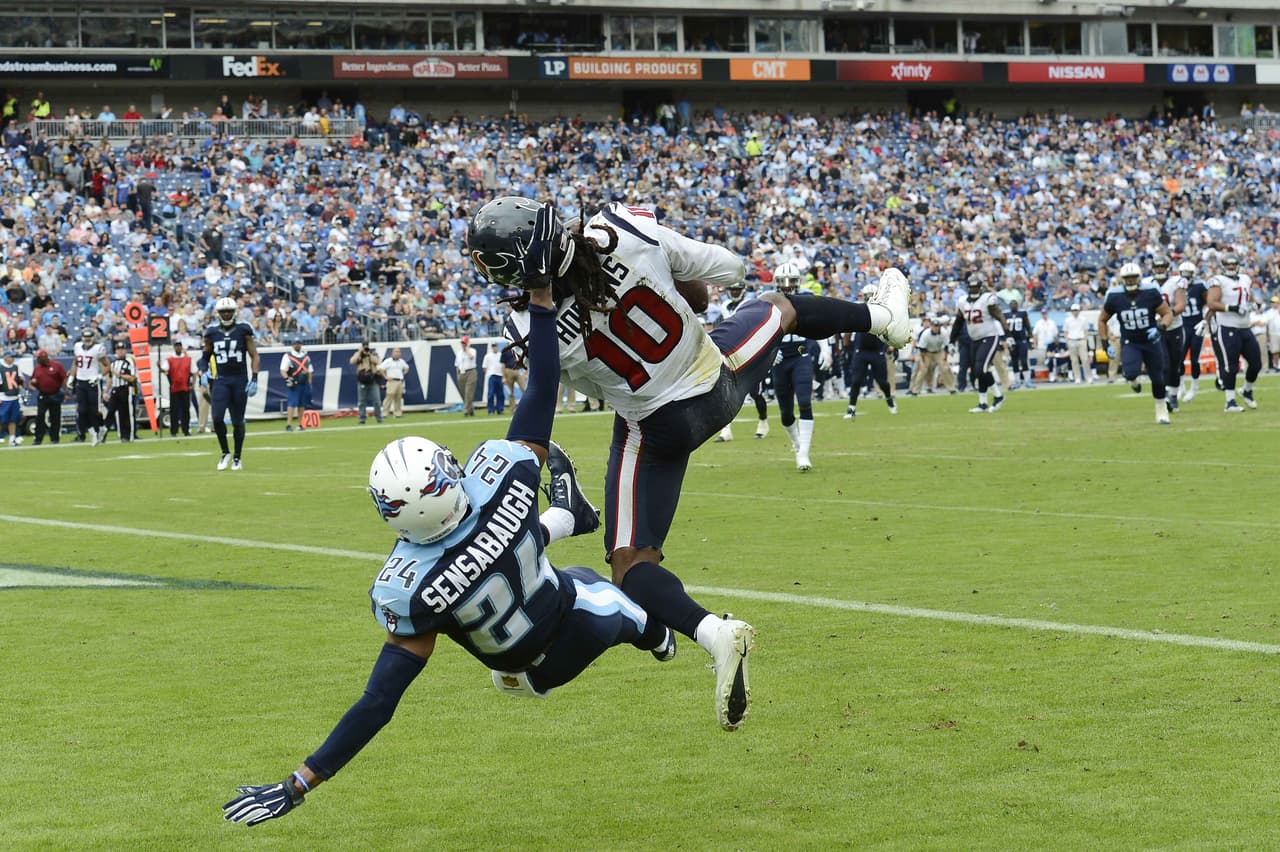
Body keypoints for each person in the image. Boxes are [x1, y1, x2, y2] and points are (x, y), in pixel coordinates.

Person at [222, 277, 677, 827]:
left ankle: (566, 520)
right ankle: (660, 635)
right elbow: (540, 387)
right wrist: (540, 303)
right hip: (566, 627)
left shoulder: (405, 589)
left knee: (542, 560)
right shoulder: (501, 476)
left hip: (510, 648)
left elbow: (378, 702)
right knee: (623, 606)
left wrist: (297, 784)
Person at [472, 197, 911, 730]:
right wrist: (679, 288)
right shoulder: (618, 227)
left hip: (655, 430)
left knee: (630, 566)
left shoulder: (528, 326)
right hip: (717, 380)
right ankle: (883, 319)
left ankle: (710, 632)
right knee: (781, 305)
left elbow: (568, 389)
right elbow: (726, 270)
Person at [769, 264, 829, 470]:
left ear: (798, 282)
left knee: (804, 401)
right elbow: (760, 328)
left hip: (801, 355)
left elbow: (820, 324)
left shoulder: (807, 298)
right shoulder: (768, 301)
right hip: (779, 358)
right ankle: (797, 443)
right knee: (786, 414)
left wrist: (825, 348)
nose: (787, 287)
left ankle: (803, 454)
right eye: (783, 283)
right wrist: (769, 350)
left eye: (791, 282)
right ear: (776, 284)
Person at [1098, 262, 1174, 424]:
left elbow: (1167, 313)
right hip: (1130, 341)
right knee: (1130, 373)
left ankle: (1161, 410)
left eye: (1133, 277)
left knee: (1158, 377)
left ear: (1139, 278)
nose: (1131, 281)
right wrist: (1105, 343)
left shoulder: (1150, 292)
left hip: (1151, 340)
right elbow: (1102, 320)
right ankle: (1134, 381)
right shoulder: (1114, 296)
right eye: (1127, 278)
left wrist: (1160, 328)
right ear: (1122, 279)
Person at [203, 296, 261, 470]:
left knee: (237, 421)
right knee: (217, 417)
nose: (227, 314)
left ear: (235, 312)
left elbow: (254, 354)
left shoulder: (244, 329)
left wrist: (255, 378)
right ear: (218, 313)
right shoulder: (212, 332)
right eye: (223, 312)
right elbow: (205, 356)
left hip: (239, 380)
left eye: (229, 311)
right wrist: (203, 371)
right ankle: (225, 452)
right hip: (221, 380)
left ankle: (237, 457)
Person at [1204, 254, 1263, 413]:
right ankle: (1230, 402)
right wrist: (1232, 308)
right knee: (1230, 365)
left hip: (1245, 327)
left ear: (1237, 264)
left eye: (1233, 264)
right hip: (1227, 327)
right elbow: (1212, 302)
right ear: (1223, 265)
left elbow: (1247, 297)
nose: (1231, 266)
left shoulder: (1245, 278)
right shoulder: (1217, 280)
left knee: (1256, 363)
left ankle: (1246, 390)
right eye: (1228, 264)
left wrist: (1254, 304)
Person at [844, 284, 899, 421]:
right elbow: (848, 327)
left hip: (877, 351)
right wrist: (846, 347)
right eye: (867, 296)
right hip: (861, 350)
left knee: (882, 382)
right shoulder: (858, 309)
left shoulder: (885, 311)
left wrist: (893, 346)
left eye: (871, 296)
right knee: (856, 380)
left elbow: (891, 330)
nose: (869, 299)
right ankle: (851, 408)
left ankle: (889, 399)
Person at [953, 276, 1008, 413]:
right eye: (971, 287)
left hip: (989, 336)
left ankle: (998, 395)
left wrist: (1008, 334)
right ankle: (982, 403)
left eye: (975, 287)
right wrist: (951, 340)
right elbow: (958, 322)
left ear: (980, 287)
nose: (973, 289)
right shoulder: (962, 302)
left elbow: (999, 315)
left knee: (980, 369)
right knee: (979, 371)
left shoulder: (987, 299)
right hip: (974, 339)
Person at [1150, 256, 1187, 412]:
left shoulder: (1176, 282)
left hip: (1174, 328)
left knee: (1174, 364)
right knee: (1162, 362)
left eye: (1162, 267)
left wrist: (1167, 315)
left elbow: (1181, 305)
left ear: (1167, 268)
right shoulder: (1147, 284)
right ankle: (1164, 395)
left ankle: (1172, 395)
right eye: (1157, 267)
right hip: (1157, 329)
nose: (1159, 270)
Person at [71, 328, 110, 444]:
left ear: (93, 338)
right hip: (80, 381)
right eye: (85, 337)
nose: (87, 339)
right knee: (82, 410)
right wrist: (71, 377)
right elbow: (75, 363)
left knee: (95, 410)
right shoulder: (77, 347)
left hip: (93, 382)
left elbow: (107, 366)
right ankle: (92, 432)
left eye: (89, 337)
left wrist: (99, 376)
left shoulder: (98, 349)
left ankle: (102, 428)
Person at [1178, 260, 1207, 402]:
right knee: (1179, 358)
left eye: (1188, 274)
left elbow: (1208, 304)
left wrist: (1205, 321)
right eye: (1183, 274)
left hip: (1197, 327)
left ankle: (1194, 387)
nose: (1186, 276)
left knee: (1194, 359)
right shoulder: (1177, 287)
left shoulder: (1200, 286)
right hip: (1182, 326)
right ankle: (1181, 385)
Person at [908, 314, 955, 395]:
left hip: (939, 351)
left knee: (945, 368)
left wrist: (945, 359)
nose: (936, 328)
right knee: (923, 369)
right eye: (934, 326)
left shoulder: (944, 333)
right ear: (931, 326)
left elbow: (947, 347)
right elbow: (922, 349)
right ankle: (915, 390)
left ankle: (951, 388)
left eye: (937, 326)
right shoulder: (926, 334)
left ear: (939, 327)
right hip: (926, 353)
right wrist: (923, 362)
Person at [29, 348, 67, 444]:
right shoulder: (37, 368)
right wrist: (32, 385)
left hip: (55, 394)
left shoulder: (56, 365)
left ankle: (54, 438)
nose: (39, 360)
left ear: (45, 358)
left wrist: (67, 392)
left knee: (55, 417)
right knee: (40, 416)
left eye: (40, 358)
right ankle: (38, 439)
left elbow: (64, 379)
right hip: (43, 395)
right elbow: (32, 381)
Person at [105, 341, 138, 442]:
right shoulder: (113, 363)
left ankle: (129, 435)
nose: (120, 351)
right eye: (118, 350)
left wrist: (119, 374)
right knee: (112, 412)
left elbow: (132, 378)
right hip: (115, 389)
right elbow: (110, 378)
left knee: (127, 413)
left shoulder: (129, 362)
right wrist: (106, 391)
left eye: (122, 349)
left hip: (126, 388)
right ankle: (117, 434)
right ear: (116, 351)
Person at [282, 338, 314, 431]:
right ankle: (289, 424)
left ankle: (301, 424)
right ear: (292, 345)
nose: (297, 345)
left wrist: (309, 383)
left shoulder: (306, 356)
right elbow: (283, 370)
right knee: (292, 403)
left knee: (302, 404)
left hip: (304, 382)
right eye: (296, 343)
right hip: (294, 382)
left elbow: (310, 371)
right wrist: (287, 379)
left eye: (299, 343)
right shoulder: (287, 356)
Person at [163, 341, 193, 437]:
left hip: (185, 387)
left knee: (185, 410)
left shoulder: (188, 359)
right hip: (174, 388)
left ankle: (186, 429)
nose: (178, 348)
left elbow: (193, 371)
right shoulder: (170, 359)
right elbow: (164, 370)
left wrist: (193, 384)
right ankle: (174, 430)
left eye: (179, 346)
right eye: (176, 347)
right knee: (174, 410)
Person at [350, 342, 383, 424]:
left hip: (373, 380)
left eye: (367, 346)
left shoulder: (373, 353)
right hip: (362, 380)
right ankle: (362, 418)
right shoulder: (359, 354)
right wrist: (359, 352)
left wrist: (369, 354)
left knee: (377, 400)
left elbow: (378, 361)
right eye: (364, 347)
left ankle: (379, 418)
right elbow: (352, 361)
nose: (366, 348)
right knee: (361, 401)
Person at [1004, 298, 1032, 388]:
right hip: (1011, 341)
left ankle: (1027, 381)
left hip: (1021, 339)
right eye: (1012, 304)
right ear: (1009, 306)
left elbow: (1027, 326)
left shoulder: (1022, 313)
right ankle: (1017, 381)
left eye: (1015, 304)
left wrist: (1030, 338)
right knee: (1014, 361)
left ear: (1017, 305)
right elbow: (1003, 327)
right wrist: (1005, 339)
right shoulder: (1006, 315)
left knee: (1024, 360)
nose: (1013, 305)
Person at [1062, 302, 1092, 384]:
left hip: (1081, 340)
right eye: (1074, 310)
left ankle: (1088, 377)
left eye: (1077, 310)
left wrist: (1085, 340)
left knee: (1085, 359)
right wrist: (1067, 341)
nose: (1075, 312)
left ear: (1079, 311)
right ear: (1071, 311)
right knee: (1074, 360)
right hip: (1072, 340)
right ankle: (1077, 378)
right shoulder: (1067, 320)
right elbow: (1065, 331)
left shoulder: (1083, 319)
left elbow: (1086, 330)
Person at [0, 351, 24, 446]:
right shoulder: (1, 368)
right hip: (4, 397)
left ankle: (12, 439)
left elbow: (21, 380)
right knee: (1, 419)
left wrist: (21, 387)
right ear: (5, 358)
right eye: (10, 357)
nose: (12, 358)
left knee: (13, 419)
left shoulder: (16, 367)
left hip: (14, 397)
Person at [378, 346, 409, 418]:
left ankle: (398, 413)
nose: (397, 353)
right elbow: (380, 368)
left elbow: (407, 368)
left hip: (399, 381)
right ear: (392, 353)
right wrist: (385, 376)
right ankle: (384, 413)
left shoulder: (401, 361)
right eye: (396, 352)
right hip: (391, 381)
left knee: (398, 397)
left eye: (398, 352)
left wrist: (403, 373)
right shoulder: (388, 361)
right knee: (389, 396)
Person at [454, 335, 478, 417]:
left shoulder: (472, 351)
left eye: (464, 343)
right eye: (462, 343)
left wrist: (467, 348)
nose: (463, 344)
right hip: (461, 373)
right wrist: (458, 374)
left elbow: (471, 357)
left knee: (468, 392)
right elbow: (457, 364)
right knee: (463, 393)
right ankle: (470, 409)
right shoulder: (459, 353)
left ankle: (466, 411)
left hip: (471, 372)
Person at [483, 342, 506, 415]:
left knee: (500, 394)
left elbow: (503, 365)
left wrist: (504, 376)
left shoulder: (500, 355)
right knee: (491, 393)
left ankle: (500, 409)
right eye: (493, 346)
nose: (494, 348)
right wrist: (488, 374)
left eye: (495, 346)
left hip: (500, 375)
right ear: (491, 347)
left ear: (497, 347)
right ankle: (491, 410)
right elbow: (484, 367)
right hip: (492, 375)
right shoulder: (488, 356)